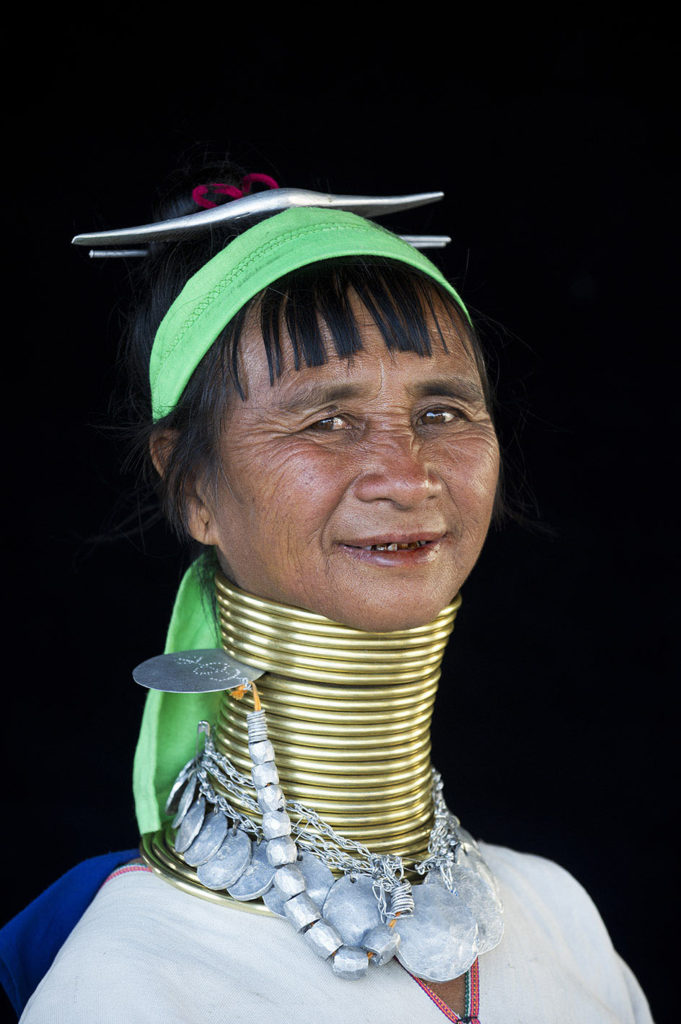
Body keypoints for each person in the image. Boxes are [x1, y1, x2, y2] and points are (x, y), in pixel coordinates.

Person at [1, 161, 654, 1022]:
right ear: (193, 488)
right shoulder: (138, 973)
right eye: (327, 421)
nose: (405, 474)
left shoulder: (556, 913)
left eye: (442, 412)